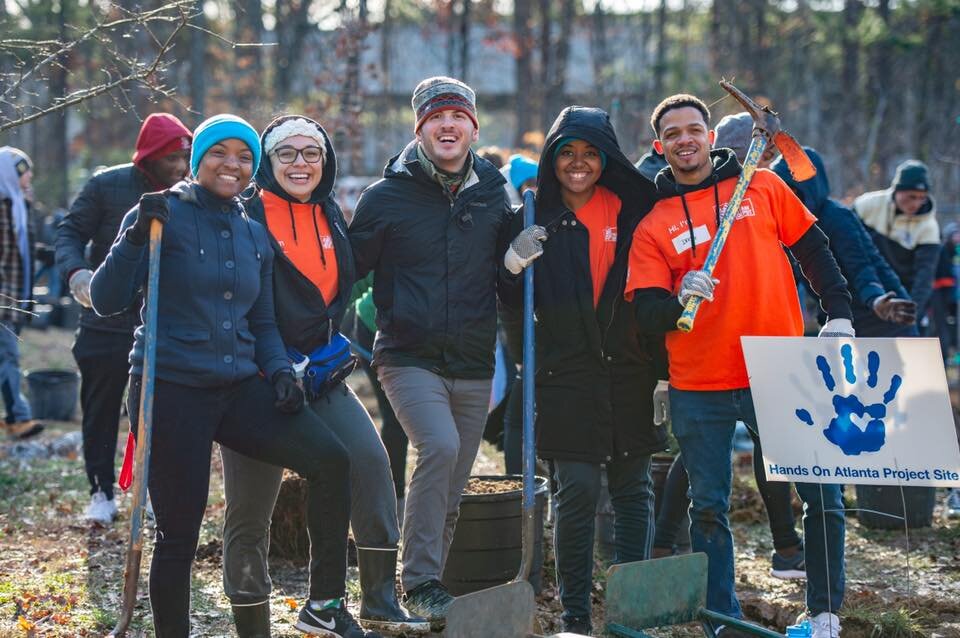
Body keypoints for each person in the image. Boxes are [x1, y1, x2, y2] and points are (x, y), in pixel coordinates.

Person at [90, 114, 360, 638]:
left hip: (238, 386)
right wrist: (134, 239)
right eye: (219, 153)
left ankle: (325, 603)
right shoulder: (159, 213)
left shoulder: (251, 231)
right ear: (198, 160)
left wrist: (279, 371)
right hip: (169, 387)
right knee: (179, 531)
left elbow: (260, 321)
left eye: (243, 157)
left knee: (331, 460)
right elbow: (105, 300)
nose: (231, 165)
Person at [625, 94, 852, 638]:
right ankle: (722, 620)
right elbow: (646, 310)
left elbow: (814, 251)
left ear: (709, 136)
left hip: (779, 367)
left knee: (820, 490)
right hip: (699, 382)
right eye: (673, 133)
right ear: (660, 148)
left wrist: (839, 312)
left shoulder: (763, 186)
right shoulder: (653, 224)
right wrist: (680, 296)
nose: (685, 139)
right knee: (708, 508)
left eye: (693, 129)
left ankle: (824, 613)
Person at [222, 114, 427, 636]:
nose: (300, 163)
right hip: (254, 382)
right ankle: (252, 621)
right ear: (267, 163)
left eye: (311, 153)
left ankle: (376, 599)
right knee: (251, 508)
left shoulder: (330, 212)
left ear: (325, 162)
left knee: (371, 465)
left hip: (320, 375)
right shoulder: (244, 213)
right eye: (286, 153)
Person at [349, 76, 528, 629]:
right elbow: (345, 272)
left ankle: (432, 593)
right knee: (440, 447)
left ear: (474, 127)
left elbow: (510, 291)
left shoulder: (496, 195)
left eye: (458, 116)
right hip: (407, 355)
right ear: (420, 128)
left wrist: (517, 263)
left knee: (451, 485)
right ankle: (418, 578)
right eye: (435, 117)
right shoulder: (385, 198)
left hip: (474, 358)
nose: (447, 125)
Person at [503, 106, 666, 635]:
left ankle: (631, 611)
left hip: (628, 368)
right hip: (564, 374)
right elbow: (506, 298)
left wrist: (662, 369)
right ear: (552, 158)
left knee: (633, 489)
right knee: (574, 491)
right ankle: (575, 615)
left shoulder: (635, 207)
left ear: (606, 157)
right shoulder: (532, 216)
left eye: (590, 153)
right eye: (567, 152)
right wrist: (511, 263)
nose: (579, 163)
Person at [56, 112, 193, 525]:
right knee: (100, 411)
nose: (181, 166)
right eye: (172, 157)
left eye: (186, 155)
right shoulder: (106, 186)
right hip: (104, 323)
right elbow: (69, 232)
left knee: (157, 412)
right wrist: (77, 272)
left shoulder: (190, 195)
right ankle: (100, 491)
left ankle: (153, 488)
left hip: (163, 326)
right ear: (149, 157)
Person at [854, 160, 939, 330]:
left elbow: (924, 277)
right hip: (866, 287)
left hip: (900, 292)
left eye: (922, 198)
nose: (915, 203)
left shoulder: (929, 228)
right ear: (897, 190)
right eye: (911, 196)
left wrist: (912, 312)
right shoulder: (867, 205)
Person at [0, 147, 42, 440]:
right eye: (23, 171)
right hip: (3, 296)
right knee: (8, 356)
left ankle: (15, 416)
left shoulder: (18, 205)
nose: (29, 176)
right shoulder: (3, 207)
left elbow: (21, 250)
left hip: (12, 295)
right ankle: (18, 417)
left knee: (7, 356)